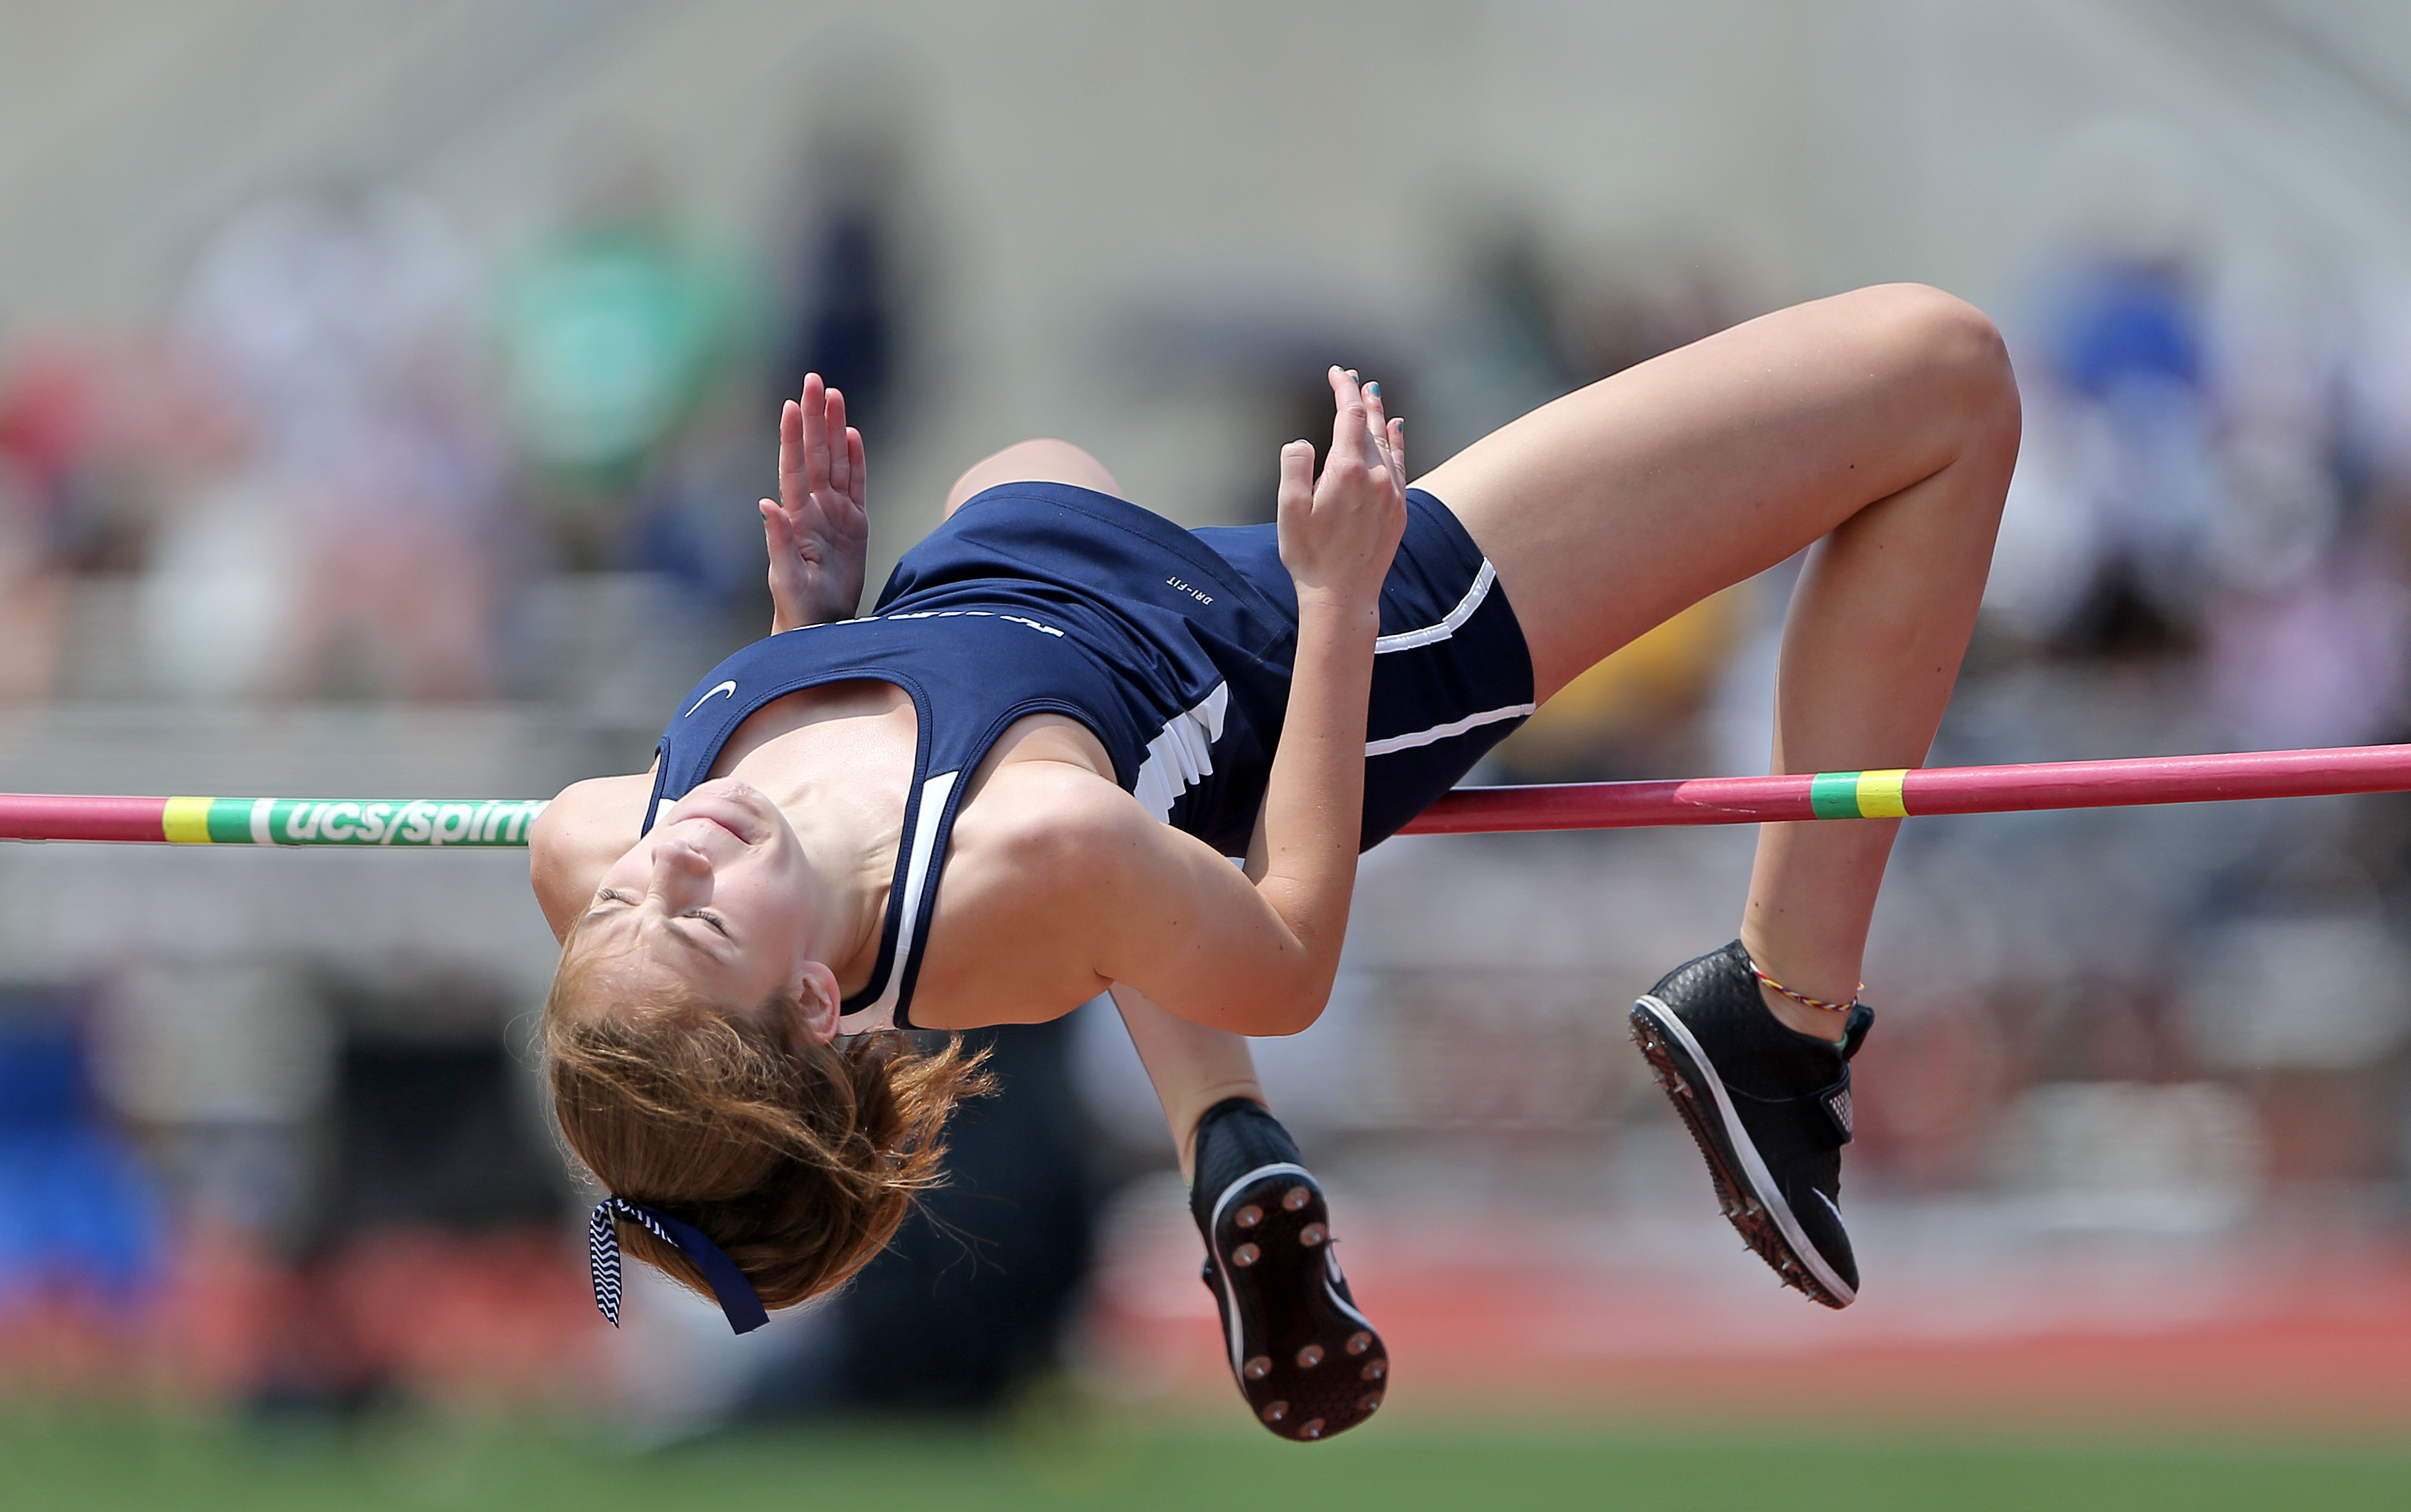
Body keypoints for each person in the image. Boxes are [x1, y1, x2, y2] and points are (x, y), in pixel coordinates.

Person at [534, 285, 2018, 1441]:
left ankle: (1224, 1139)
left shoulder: (591, 836)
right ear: (813, 1001)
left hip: (1009, 591)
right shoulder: (1027, 850)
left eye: (626, 901)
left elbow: (700, 888)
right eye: (699, 923)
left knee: (1026, 463)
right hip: (1274, 639)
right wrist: (1342, 601)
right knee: (1940, 374)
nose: (671, 864)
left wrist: (809, 639)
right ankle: (1780, 1010)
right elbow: (1288, 951)